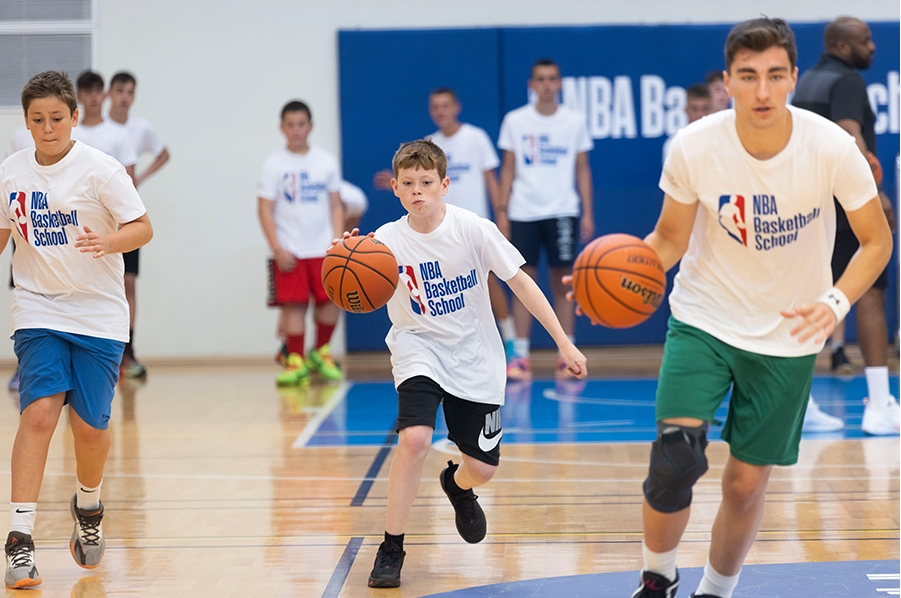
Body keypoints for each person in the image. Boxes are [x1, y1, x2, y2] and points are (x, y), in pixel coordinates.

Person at [610, 18, 891, 598]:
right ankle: (657, 578)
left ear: (793, 77)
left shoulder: (831, 147)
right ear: (728, 79)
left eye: (774, 75)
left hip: (790, 333)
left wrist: (836, 301)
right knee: (674, 458)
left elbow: (876, 240)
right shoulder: (694, 145)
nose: (762, 90)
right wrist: (620, 274)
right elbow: (669, 239)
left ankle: (716, 590)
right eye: (748, 76)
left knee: (744, 485)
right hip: (704, 319)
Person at [362, 139, 586, 588]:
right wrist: (345, 254)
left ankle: (458, 486)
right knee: (414, 439)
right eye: (408, 183)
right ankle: (391, 547)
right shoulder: (384, 242)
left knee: (482, 468)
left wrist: (564, 342)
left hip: (475, 355)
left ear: (445, 185)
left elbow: (522, 284)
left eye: (427, 182)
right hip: (418, 347)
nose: (418, 191)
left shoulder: (474, 229)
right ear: (395, 188)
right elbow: (352, 270)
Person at [0, 71, 153, 588]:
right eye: (38, 119)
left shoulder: (101, 170)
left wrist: (109, 242)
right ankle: (19, 540)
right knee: (40, 413)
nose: (48, 128)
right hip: (38, 308)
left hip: (98, 313)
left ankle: (88, 505)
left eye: (57, 119)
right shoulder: (11, 172)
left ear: (75, 118)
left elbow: (143, 227)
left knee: (90, 428)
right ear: (26, 122)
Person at [792, 16, 899, 436]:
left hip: (809, 204)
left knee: (808, 296)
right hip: (847, 205)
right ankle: (880, 405)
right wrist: (876, 194)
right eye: (865, 40)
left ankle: (799, 405)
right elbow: (850, 134)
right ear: (841, 45)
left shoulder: (806, 82)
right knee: (870, 293)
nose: (872, 47)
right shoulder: (848, 81)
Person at [374, 88, 516, 359]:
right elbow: (414, 178)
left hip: (469, 223)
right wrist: (400, 183)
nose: (441, 111)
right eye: (435, 107)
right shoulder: (430, 144)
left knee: (489, 279)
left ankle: (509, 340)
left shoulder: (475, 138)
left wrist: (501, 215)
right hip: (439, 226)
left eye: (445, 105)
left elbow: (491, 179)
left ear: (456, 107)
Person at [498, 58, 594, 380]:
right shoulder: (515, 120)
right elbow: (508, 169)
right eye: (540, 79)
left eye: (552, 78)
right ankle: (520, 356)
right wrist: (502, 211)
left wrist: (587, 212)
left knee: (563, 281)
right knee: (522, 279)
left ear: (560, 83)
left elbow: (582, 168)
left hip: (563, 210)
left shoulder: (574, 121)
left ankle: (567, 354)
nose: (547, 84)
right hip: (523, 210)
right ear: (532, 84)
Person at [257, 100, 344, 385]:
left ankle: (321, 352)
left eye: (301, 124)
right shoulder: (273, 164)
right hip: (290, 249)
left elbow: (336, 205)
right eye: (290, 125)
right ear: (282, 128)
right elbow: (265, 209)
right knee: (293, 306)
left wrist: (338, 244)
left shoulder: (326, 161)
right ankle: (295, 360)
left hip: (323, 248)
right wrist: (277, 248)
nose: (296, 130)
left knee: (330, 300)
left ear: (311, 126)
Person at [107, 71, 171, 379]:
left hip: (125, 219)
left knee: (128, 282)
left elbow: (164, 154)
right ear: (109, 93)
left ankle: (127, 351)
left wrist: (139, 178)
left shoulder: (139, 128)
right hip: (95, 221)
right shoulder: (94, 129)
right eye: (120, 90)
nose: (125, 97)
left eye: (130, 92)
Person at [662, 84, 712, 162]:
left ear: (711, 110)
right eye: (694, 109)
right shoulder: (675, 143)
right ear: (686, 110)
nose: (700, 114)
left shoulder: (720, 141)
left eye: (704, 109)